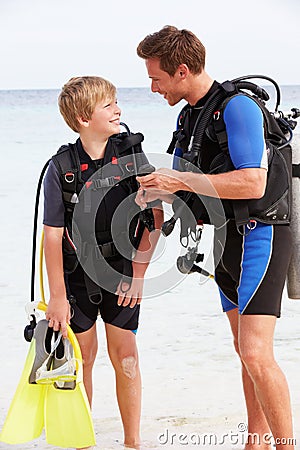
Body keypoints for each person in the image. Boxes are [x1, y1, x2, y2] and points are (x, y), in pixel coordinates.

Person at [136, 26, 294, 449]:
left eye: (156, 78)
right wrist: (148, 193)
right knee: (245, 353)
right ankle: (255, 441)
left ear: (182, 70)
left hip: (260, 235)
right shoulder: (189, 118)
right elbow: (184, 188)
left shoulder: (239, 108)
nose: (152, 87)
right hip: (224, 241)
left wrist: (179, 179)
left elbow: (252, 183)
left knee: (257, 353)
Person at [43, 75, 163, 449]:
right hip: (76, 277)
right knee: (82, 361)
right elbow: (50, 236)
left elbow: (154, 217)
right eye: (108, 104)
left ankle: (132, 442)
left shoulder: (130, 156)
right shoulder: (60, 168)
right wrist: (57, 297)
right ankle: (83, 442)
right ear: (83, 117)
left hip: (122, 273)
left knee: (125, 357)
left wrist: (140, 275)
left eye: (116, 102)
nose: (118, 110)